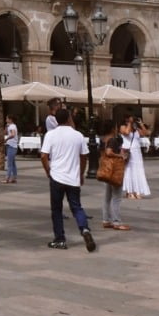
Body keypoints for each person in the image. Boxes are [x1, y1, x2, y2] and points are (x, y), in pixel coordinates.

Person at [39, 107, 96, 252]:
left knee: (57, 209)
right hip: (73, 177)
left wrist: (48, 171)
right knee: (76, 207)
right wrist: (81, 173)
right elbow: (84, 156)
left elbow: (44, 156)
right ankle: (85, 229)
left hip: (57, 176)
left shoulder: (50, 135)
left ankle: (60, 239)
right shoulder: (78, 135)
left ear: (56, 120)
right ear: (69, 118)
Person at [98, 119, 130, 231]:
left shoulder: (103, 139)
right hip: (114, 170)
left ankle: (106, 219)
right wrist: (121, 156)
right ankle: (117, 221)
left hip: (107, 169)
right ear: (113, 128)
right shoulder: (112, 140)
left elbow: (104, 153)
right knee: (116, 197)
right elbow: (109, 152)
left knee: (107, 196)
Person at [121, 116, 151, 200]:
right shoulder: (123, 127)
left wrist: (141, 124)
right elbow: (126, 133)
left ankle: (137, 190)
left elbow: (146, 133)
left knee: (138, 171)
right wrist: (129, 123)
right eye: (129, 120)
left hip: (137, 152)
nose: (131, 122)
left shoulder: (136, 130)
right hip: (128, 152)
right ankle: (129, 191)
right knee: (129, 171)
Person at [4, 117, 19, 183]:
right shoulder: (11, 126)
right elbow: (5, 132)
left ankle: (7, 178)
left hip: (11, 146)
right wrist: (6, 126)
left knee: (9, 163)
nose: (6, 120)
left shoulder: (12, 126)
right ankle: (14, 178)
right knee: (13, 163)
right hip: (13, 145)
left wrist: (6, 139)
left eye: (7, 118)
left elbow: (13, 134)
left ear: (10, 119)